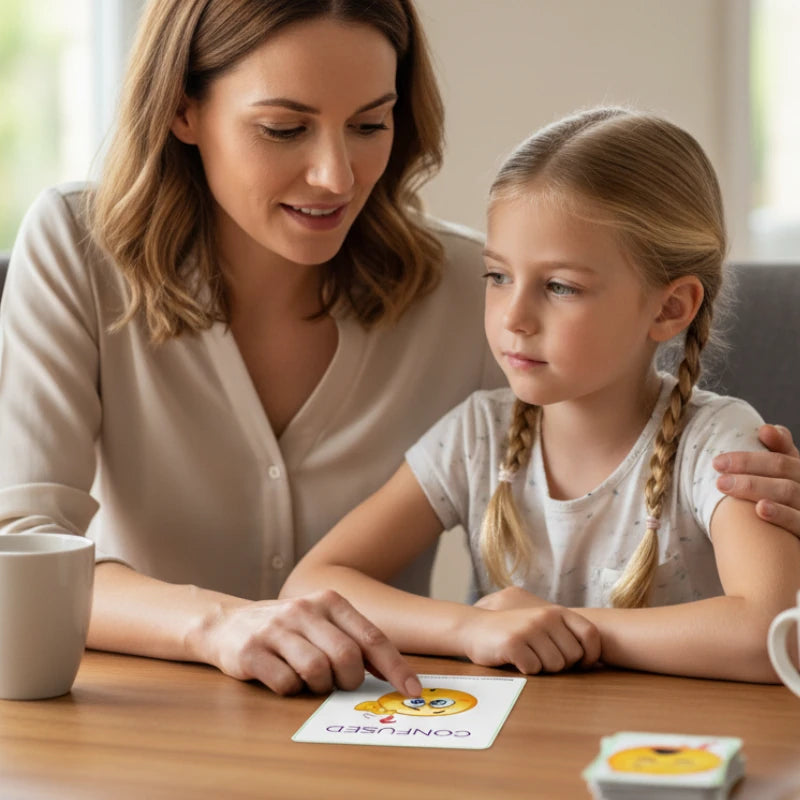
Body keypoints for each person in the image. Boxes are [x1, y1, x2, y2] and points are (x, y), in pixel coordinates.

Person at [0, 2, 797, 696]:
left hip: (397, 732)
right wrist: (219, 624)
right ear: (183, 109)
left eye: (370, 124)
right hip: (146, 721)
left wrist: (768, 500)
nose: (335, 175)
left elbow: (627, 413)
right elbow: (19, 555)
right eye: (284, 128)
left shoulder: (474, 287)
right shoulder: (75, 246)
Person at [282, 107, 800, 683]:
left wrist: (563, 627)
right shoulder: (477, 434)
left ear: (670, 307)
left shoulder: (719, 445)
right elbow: (310, 585)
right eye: (498, 277)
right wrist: (469, 628)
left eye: (559, 287)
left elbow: (773, 634)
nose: (514, 317)